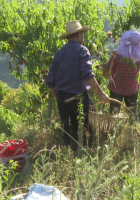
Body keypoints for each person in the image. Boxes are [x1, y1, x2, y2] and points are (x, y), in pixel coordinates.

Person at [45, 20, 110, 150]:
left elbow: (50, 81)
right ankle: (85, 157)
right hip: (78, 97)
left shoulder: (59, 53)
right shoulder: (82, 51)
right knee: (87, 128)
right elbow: (88, 75)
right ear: (79, 35)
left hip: (62, 97)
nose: (84, 37)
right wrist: (101, 94)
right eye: (83, 34)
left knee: (68, 130)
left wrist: (59, 98)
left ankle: (68, 157)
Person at [104, 31, 140, 122]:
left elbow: (108, 67)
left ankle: (111, 133)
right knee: (133, 114)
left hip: (116, 88)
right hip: (131, 89)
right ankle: (134, 132)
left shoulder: (118, 53)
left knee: (113, 114)